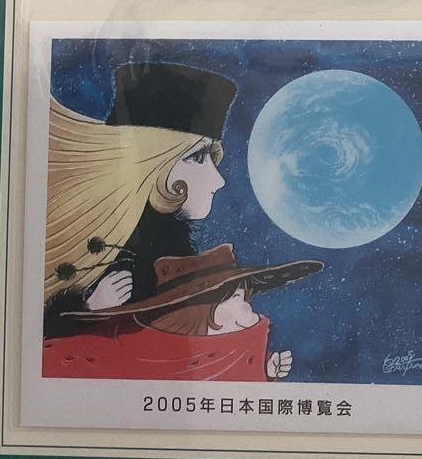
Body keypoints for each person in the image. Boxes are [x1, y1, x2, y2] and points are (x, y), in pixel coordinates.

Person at [43, 61, 236, 338]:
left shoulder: (172, 253)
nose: (219, 180)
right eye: (197, 157)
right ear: (153, 164)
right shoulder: (108, 257)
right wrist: (87, 310)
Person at [42, 243, 322, 382]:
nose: (250, 310)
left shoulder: (223, 352)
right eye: (238, 297)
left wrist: (264, 370)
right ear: (202, 309)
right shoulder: (109, 353)